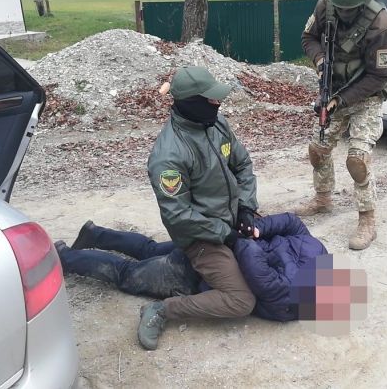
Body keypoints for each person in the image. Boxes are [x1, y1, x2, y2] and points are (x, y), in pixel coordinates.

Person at [138, 65, 260, 351]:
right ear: (191, 102)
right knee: (241, 300)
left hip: (228, 221)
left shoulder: (216, 124)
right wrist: (225, 234)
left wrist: (246, 208)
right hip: (201, 236)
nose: (218, 103)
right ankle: (162, 310)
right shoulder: (169, 156)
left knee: (150, 250)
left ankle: (95, 235)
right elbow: (178, 215)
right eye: (211, 99)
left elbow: (242, 165)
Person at [54, 212, 329, 323]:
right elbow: (253, 264)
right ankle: (64, 256)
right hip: (203, 271)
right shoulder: (290, 298)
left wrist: (255, 229)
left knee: (149, 249)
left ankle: (96, 234)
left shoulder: (317, 250)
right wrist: (252, 236)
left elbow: (291, 223)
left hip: (213, 243)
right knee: (128, 274)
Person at [296, 0, 387, 251]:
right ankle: (323, 200)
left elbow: (378, 76)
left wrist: (342, 100)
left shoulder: (381, 24)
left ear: (362, 5)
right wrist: (320, 61)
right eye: (340, 8)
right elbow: (308, 38)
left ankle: (367, 222)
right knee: (318, 150)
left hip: (366, 96)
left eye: (349, 9)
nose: (343, 12)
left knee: (357, 160)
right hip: (333, 90)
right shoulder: (325, 7)